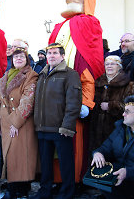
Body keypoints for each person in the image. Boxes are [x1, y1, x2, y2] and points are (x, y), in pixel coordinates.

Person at [48, 0, 105, 187]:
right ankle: (57, 179)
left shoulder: (89, 23)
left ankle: (73, 181)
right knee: (56, 142)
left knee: (73, 141)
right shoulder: (59, 26)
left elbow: (89, 68)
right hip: (54, 98)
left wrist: (86, 101)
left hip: (75, 97)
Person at [33, 43, 82, 199]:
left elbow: (74, 103)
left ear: (62, 56)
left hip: (60, 128)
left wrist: (67, 126)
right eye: (49, 53)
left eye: (55, 53)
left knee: (65, 163)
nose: (51, 56)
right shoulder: (42, 74)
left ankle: (67, 193)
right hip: (42, 128)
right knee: (45, 165)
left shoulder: (70, 74)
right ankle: (45, 191)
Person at [0, 47, 39, 199]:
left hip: (21, 122)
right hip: (5, 123)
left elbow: (28, 101)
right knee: (13, 157)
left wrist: (16, 122)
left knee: (18, 157)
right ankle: (20, 188)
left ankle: (14, 190)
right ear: (11, 60)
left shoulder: (31, 75)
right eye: (15, 57)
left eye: (21, 57)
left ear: (27, 59)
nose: (18, 59)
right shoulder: (5, 76)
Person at [89, 55, 134, 156]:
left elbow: (129, 108)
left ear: (119, 66)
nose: (109, 66)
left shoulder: (128, 85)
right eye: (107, 64)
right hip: (96, 129)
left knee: (113, 158)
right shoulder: (98, 82)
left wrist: (111, 106)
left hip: (115, 129)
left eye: (113, 64)